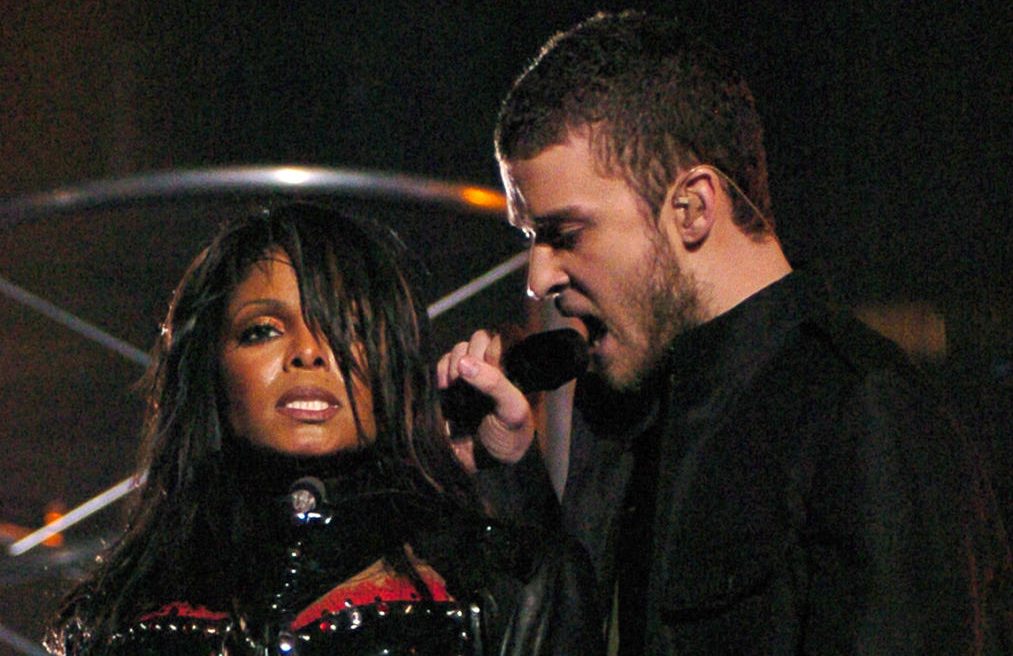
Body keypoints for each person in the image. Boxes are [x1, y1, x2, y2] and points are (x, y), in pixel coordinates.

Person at [438, 11, 1013, 654]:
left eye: (564, 235)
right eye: (530, 240)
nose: (539, 277)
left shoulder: (862, 412)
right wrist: (507, 474)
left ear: (692, 207)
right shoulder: (623, 403)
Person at [43, 201, 598, 654]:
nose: (308, 353)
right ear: (210, 368)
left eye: (346, 326)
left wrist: (502, 475)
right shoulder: (114, 613)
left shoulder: (504, 584)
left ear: (396, 361)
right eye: (262, 330)